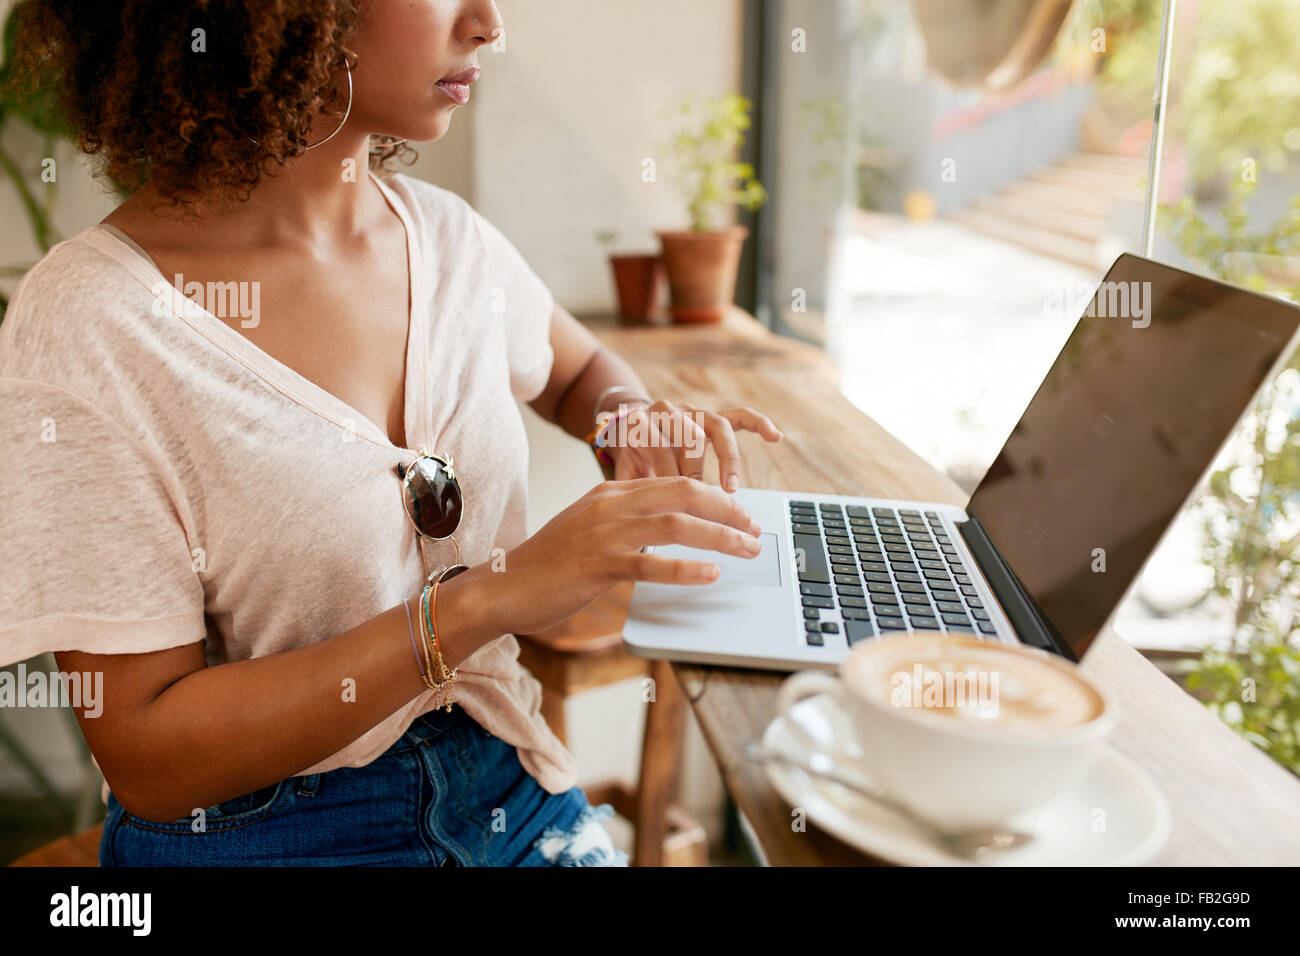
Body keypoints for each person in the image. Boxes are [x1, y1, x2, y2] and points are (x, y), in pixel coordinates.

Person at [0, 0, 781, 866]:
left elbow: (577, 373)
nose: (488, 23)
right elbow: (147, 755)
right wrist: (487, 598)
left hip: (510, 786)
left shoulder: (447, 240)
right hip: (261, 837)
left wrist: (631, 423)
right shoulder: (94, 321)